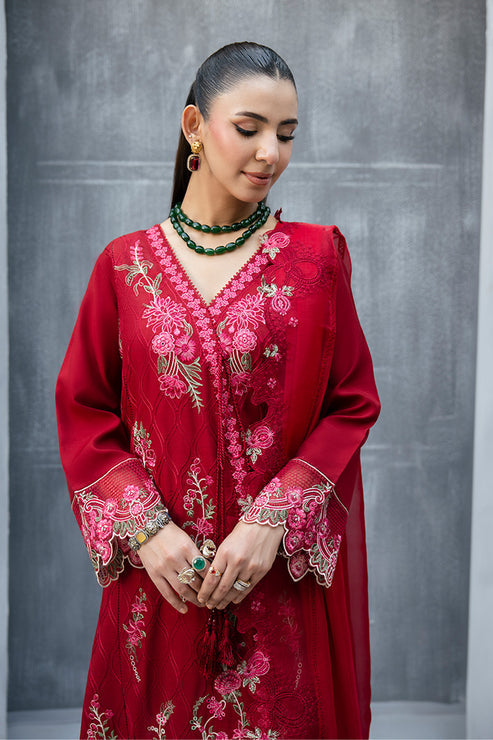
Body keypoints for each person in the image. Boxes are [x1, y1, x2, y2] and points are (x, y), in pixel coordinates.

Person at [56, 41, 380, 740]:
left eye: (286, 134)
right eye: (249, 128)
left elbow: (351, 402)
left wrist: (273, 521)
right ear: (194, 126)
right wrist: (147, 530)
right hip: (162, 585)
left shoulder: (315, 260)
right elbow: (84, 410)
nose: (270, 153)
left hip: (275, 585)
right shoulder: (124, 268)